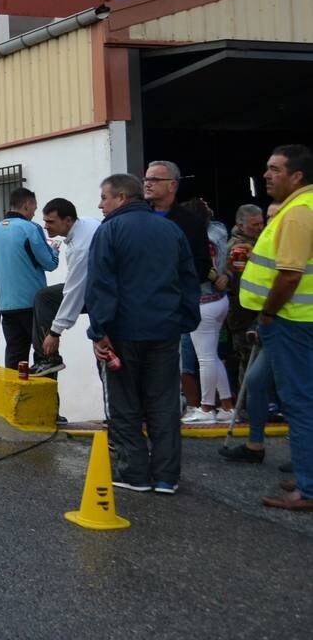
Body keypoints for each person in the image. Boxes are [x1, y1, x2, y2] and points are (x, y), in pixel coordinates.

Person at [86, 173, 200, 495]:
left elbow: (101, 284)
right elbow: (188, 279)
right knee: (163, 401)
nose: (100, 204)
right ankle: (166, 477)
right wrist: (184, 320)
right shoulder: (170, 230)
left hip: (122, 332)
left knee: (125, 402)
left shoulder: (109, 231)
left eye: (104, 197)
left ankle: (133, 473)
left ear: (121, 197)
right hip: (164, 330)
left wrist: (99, 330)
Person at [239, 145, 313, 511]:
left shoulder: (298, 213)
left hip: (292, 323)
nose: (266, 175)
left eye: (274, 169)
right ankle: (307, 473)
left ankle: (308, 488)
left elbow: (288, 276)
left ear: (296, 176)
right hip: (300, 322)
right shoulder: (303, 208)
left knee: (299, 403)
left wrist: (267, 314)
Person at [143, 160, 212, 421]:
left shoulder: (190, 222)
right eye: (146, 179)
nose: (147, 183)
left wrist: (173, 285)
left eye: (155, 179)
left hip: (169, 311)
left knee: (168, 370)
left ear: (172, 185)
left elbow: (202, 265)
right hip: (136, 310)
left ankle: (166, 423)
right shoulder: (138, 216)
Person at [0, 187, 59, 370]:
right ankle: (45, 398)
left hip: (6, 304)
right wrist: (55, 251)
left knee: (15, 356)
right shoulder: (30, 228)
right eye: (34, 207)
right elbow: (49, 263)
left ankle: (13, 396)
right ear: (27, 205)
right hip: (33, 303)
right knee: (44, 357)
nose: (35, 212)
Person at [178, 197, 236, 423]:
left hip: (203, 301)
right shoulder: (220, 231)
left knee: (204, 359)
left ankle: (205, 409)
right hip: (220, 301)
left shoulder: (202, 239)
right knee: (213, 357)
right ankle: (228, 407)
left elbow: (205, 265)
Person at [31, 197, 99, 379]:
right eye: (44, 221)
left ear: (68, 220)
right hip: (97, 289)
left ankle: (48, 358)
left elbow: (75, 291)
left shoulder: (80, 248)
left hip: (100, 295)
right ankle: (48, 358)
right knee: (45, 297)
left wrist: (55, 332)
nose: (45, 226)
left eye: (50, 221)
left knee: (45, 298)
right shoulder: (87, 224)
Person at [225, 203, 265, 384]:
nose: (260, 227)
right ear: (241, 225)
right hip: (242, 311)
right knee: (248, 357)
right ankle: (245, 406)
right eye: (254, 225)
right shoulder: (236, 249)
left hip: (262, 308)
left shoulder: (262, 240)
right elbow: (235, 280)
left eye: (261, 223)